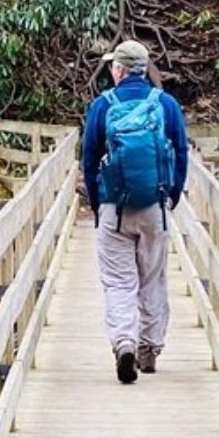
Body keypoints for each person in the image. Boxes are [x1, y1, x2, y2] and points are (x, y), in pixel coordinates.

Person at [82, 40, 189, 384]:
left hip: (115, 207)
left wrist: (99, 205)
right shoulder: (166, 105)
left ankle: (124, 342)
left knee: (118, 282)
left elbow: (88, 159)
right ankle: (149, 349)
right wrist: (170, 198)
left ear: (118, 69)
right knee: (152, 278)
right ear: (144, 68)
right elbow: (182, 154)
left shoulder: (102, 105)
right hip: (154, 206)